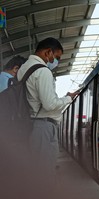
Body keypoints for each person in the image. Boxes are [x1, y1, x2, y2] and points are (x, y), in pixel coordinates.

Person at [16, 37, 78, 179]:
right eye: (56, 57)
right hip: (42, 125)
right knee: (45, 171)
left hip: (31, 124)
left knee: (36, 169)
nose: (56, 62)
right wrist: (68, 98)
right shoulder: (43, 71)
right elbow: (49, 104)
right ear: (47, 52)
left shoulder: (24, 68)